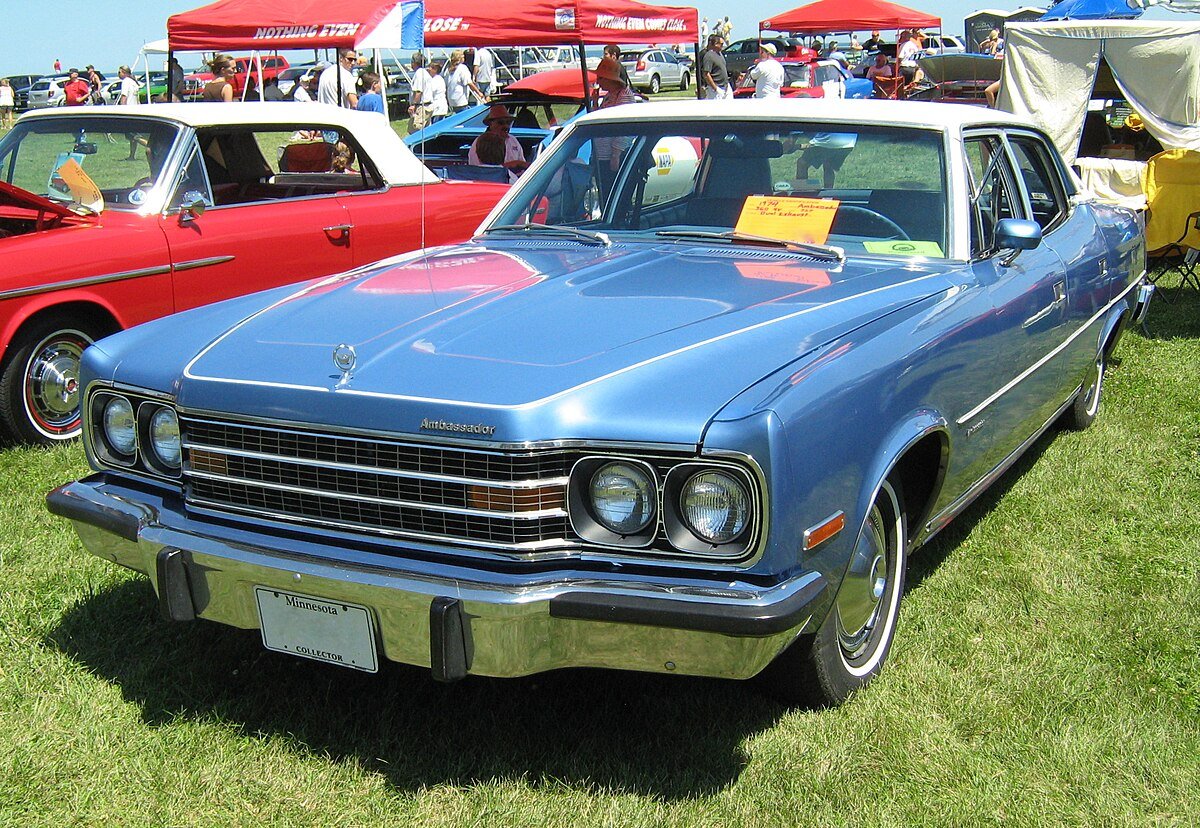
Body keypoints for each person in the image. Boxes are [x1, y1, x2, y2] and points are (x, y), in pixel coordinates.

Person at [593, 56, 636, 195]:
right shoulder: (611, 95)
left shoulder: (624, 96)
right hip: (603, 155)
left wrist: (616, 155)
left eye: (601, 78)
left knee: (612, 192)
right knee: (604, 193)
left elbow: (625, 128)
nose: (598, 82)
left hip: (611, 156)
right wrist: (595, 103)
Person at [467, 104, 528, 171]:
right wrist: (514, 164)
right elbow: (478, 170)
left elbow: (523, 167)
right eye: (501, 123)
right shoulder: (480, 142)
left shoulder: (513, 140)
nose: (506, 126)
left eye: (508, 122)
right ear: (491, 123)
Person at [407, 53, 432, 133]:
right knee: (425, 132)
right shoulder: (424, 72)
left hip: (421, 107)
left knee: (415, 131)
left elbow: (418, 91)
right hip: (426, 106)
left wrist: (413, 105)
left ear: (415, 62)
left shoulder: (419, 73)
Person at [701, 34, 730, 99]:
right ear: (716, 44)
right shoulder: (709, 56)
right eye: (721, 44)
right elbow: (706, 74)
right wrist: (715, 88)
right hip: (716, 89)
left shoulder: (720, 54)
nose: (722, 46)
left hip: (725, 87)